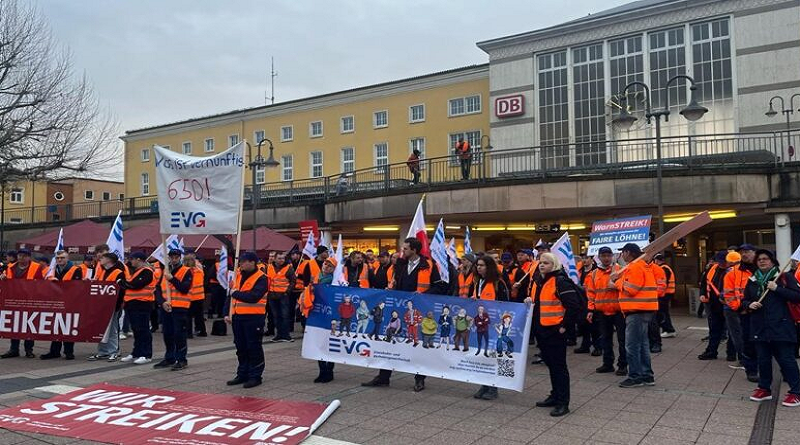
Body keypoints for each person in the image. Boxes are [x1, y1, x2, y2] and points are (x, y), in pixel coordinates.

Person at [362, 237, 442, 392]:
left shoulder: (429, 265)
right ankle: (383, 377)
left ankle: (419, 379)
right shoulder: (400, 264)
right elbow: (395, 281)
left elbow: (439, 287)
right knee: (390, 341)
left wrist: (423, 295)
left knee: (416, 343)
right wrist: (390, 289)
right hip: (398, 309)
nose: (402, 251)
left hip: (418, 310)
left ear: (414, 250)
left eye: (405, 249)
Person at [525, 253, 582, 417]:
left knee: (559, 367)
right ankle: (555, 395)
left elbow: (573, 306)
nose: (542, 265)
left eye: (546, 263)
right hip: (542, 330)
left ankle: (563, 403)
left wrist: (564, 326)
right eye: (541, 262)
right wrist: (529, 300)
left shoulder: (560, 281)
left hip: (555, 330)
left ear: (554, 264)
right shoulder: (539, 281)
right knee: (551, 364)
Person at [742, 249, 800, 407]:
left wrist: (777, 289)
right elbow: (745, 299)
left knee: (786, 360)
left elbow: (797, 296)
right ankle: (764, 388)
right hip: (760, 327)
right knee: (763, 360)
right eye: (759, 259)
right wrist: (749, 304)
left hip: (781, 325)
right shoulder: (753, 280)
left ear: (773, 261)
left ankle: (796, 392)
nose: (762, 261)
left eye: (766, 259)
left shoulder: (784, 277)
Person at [611, 243, 658, 388]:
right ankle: (646, 375)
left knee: (631, 346)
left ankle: (635, 376)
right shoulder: (642, 265)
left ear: (628, 253)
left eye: (622, 253)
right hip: (643, 310)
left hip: (636, 311)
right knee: (642, 345)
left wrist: (616, 281)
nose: (621, 256)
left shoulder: (634, 267)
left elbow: (631, 289)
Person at [225, 251, 268, 388]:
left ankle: (255, 376)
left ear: (252, 262)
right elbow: (229, 295)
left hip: (254, 317)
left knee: (253, 347)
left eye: (244, 261)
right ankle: (242, 373)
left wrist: (235, 293)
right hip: (238, 316)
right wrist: (227, 312)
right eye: (241, 261)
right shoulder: (237, 275)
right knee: (241, 347)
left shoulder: (262, 278)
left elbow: (253, 297)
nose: (241, 264)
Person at [472, 255, 510, 400]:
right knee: (483, 355)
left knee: (492, 356)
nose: (478, 267)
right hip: (481, 325)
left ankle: (493, 387)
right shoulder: (477, 282)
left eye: (482, 265)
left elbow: (505, 304)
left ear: (489, 267)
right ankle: (484, 385)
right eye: (477, 265)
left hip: (494, 325)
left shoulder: (498, 283)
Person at [586, 247, 626, 376]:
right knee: (605, 339)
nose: (606, 258)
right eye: (603, 256)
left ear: (613, 256)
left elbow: (626, 287)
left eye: (609, 255)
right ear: (599, 257)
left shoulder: (620, 270)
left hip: (619, 311)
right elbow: (591, 294)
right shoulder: (593, 274)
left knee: (622, 340)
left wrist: (615, 285)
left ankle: (623, 365)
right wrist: (590, 309)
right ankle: (608, 364)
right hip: (602, 312)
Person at [723, 245, 759, 382]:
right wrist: (738, 308)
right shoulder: (732, 273)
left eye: (747, 252)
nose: (744, 254)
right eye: (742, 252)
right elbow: (729, 294)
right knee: (748, 341)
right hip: (744, 312)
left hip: (763, 313)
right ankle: (751, 370)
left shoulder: (763, 270)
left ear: (754, 253)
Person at [0, 249, 45, 358]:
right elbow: (5, 282)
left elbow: (41, 284)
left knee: (29, 326)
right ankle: (14, 349)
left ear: (29, 257)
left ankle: (29, 350)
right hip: (14, 301)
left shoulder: (37, 267)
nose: (21, 258)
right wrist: (3, 278)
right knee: (14, 325)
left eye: (24, 256)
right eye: (20, 255)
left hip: (30, 301)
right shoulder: (10, 267)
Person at [152, 249, 193, 371]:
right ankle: (169, 357)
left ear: (180, 257)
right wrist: (162, 302)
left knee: (179, 334)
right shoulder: (166, 271)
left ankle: (181, 359)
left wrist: (172, 279)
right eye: (172, 257)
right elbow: (158, 289)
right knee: (168, 334)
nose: (174, 259)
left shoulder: (186, 271)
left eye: (176, 257)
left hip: (180, 307)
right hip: (167, 307)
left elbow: (184, 288)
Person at [41, 251, 83, 360]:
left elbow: (77, 287)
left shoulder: (76, 270)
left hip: (70, 303)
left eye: (62, 258)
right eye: (58, 258)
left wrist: (59, 283)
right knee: (55, 327)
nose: (59, 260)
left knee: (68, 327)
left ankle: (69, 351)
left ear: (67, 258)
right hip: (55, 302)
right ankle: (54, 351)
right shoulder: (52, 270)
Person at [87, 252, 126, 362]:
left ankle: (113, 351)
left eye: (103, 258)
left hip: (113, 305)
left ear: (109, 260)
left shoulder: (118, 272)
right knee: (102, 328)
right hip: (103, 305)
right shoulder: (104, 271)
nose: (100, 259)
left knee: (113, 329)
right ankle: (103, 351)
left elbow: (121, 290)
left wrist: (118, 305)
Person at [119, 252, 156, 365]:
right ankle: (136, 352)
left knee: (143, 330)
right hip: (133, 304)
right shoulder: (137, 271)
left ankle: (146, 354)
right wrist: (125, 283)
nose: (130, 261)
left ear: (139, 260)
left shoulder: (147, 272)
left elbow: (135, 285)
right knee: (136, 330)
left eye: (132, 259)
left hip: (142, 304)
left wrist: (122, 282)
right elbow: (131, 284)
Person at [698, 251, 735, 361]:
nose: (722, 264)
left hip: (729, 305)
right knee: (714, 329)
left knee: (732, 331)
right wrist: (703, 294)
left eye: (724, 262)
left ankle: (731, 353)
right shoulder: (712, 268)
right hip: (714, 304)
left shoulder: (734, 270)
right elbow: (704, 283)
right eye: (720, 261)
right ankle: (711, 351)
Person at [267, 251, 296, 342]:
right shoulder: (269, 267)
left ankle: (286, 335)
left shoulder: (288, 268)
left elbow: (293, 281)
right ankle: (279, 334)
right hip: (272, 295)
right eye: (279, 258)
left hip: (283, 295)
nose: (281, 260)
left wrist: (287, 291)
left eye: (283, 258)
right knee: (276, 316)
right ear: (275, 259)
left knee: (285, 315)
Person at [654, 254, 677, 340]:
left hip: (664, 294)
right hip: (667, 293)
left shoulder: (663, 269)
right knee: (663, 312)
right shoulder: (666, 268)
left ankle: (668, 329)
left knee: (663, 312)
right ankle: (667, 329)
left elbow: (663, 283)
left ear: (657, 260)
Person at [184, 250, 207, 338]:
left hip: (190, 296)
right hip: (200, 296)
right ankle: (202, 331)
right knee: (199, 315)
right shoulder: (199, 270)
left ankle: (188, 333)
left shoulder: (187, 271)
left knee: (188, 316)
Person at [647, 258, 667, 354]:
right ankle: (650, 343)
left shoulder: (656, 269)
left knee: (652, 323)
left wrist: (650, 295)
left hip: (652, 300)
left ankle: (656, 343)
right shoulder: (637, 267)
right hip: (642, 301)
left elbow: (661, 286)